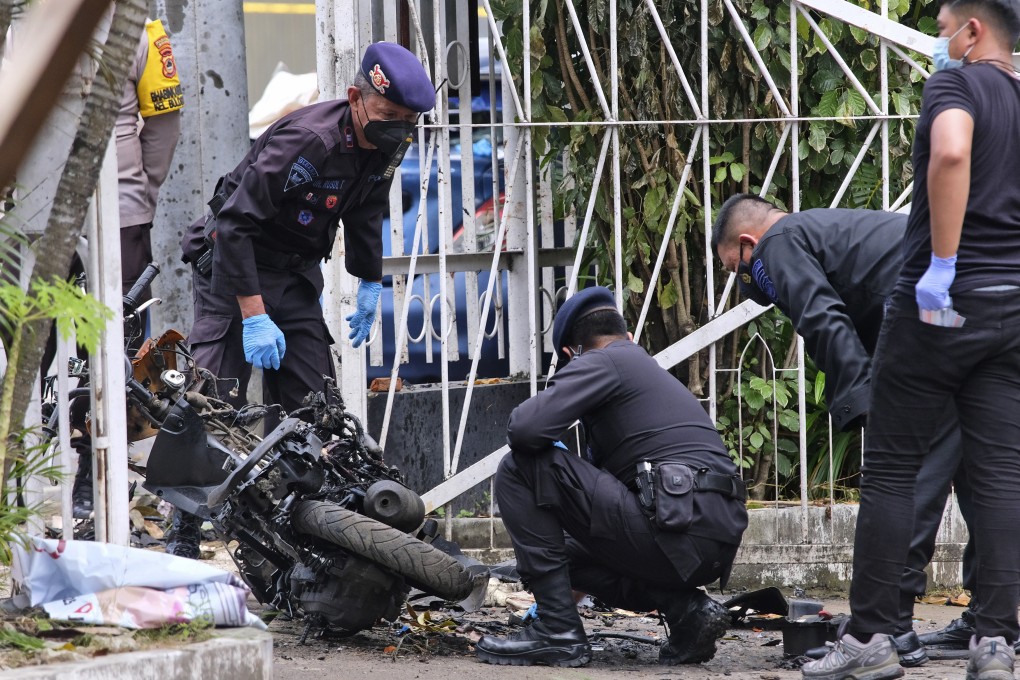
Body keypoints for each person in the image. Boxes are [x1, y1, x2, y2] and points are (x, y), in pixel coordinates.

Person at [803, 2, 1020, 679]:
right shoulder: (1018, 96)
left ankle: (869, 640)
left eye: (944, 25)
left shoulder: (956, 83)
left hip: (939, 309)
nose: (939, 40)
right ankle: (995, 643)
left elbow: (952, 149)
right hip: (1009, 308)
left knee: (893, 467)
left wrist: (945, 267)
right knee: (1000, 473)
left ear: (974, 30)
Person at [173, 42, 435, 558]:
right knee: (215, 401)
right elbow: (235, 224)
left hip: (293, 275)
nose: (400, 128)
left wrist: (368, 280)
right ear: (356, 96)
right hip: (234, 265)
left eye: (410, 120)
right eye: (390, 115)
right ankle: (183, 529)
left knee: (314, 408)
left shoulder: (389, 141)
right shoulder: (306, 139)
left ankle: (294, 528)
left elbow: (367, 207)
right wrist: (252, 314)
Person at [712, 195, 987, 667]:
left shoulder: (779, 241)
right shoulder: (829, 233)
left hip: (933, 317)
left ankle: (890, 626)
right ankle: (992, 621)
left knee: (910, 473)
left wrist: (864, 401)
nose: (742, 282)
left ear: (747, 242)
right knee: (980, 472)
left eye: (736, 268)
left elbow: (822, 318)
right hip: (971, 308)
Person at [474, 286, 748, 667]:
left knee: (520, 467)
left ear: (573, 353)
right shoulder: (644, 370)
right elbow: (598, 525)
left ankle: (557, 631)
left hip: (676, 527)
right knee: (565, 551)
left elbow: (524, 430)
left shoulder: (606, 360)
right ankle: (688, 610)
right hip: (703, 542)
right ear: (629, 335)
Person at [70, 18, 183, 519]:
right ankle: (77, 466)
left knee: (123, 345)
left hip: (110, 208)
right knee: (56, 346)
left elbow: (164, 122)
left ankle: (123, 472)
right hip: (46, 209)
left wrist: (139, 195)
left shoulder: (141, 27)